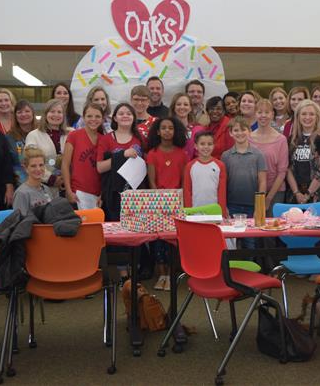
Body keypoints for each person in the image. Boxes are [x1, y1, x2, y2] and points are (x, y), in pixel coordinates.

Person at [146, 117, 188, 291]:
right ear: (157, 131)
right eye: (163, 128)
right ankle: (161, 274)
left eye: (170, 128)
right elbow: (152, 181)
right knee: (159, 239)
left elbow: (184, 180)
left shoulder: (182, 153)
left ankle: (171, 275)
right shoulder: (153, 153)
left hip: (176, 200)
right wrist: (159, 200)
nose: (167, 131)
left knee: (173, 239)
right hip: (158, 200)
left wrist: (182, 200)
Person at [222, 116, 267, 249]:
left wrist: (259, 207)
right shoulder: (226, 156)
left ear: (249, 131)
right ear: (230, 133)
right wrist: (224, 205)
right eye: (236, 130)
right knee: (232, 242)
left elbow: (263, 182)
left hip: (252, 206)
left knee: (250, 243)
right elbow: (223, 183)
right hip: (232, 205)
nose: (240, 133)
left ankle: (250, 268)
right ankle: (234, 269)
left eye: (243, 129)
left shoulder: (258, 155)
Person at [97, 103, 145, 221]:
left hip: (136, 196)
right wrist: (122, 155)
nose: (125, 116)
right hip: (113, 196)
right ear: (114, 118)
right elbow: (100, 167)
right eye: (121, 113)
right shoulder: (106, 139)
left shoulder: (140, 139)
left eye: (129, 114)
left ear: (134, 117)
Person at [287, 100, 320, 206]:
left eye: (311, 114)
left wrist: (308, 194)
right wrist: (297, 193)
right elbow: (288, 168)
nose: (307, 117)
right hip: (295, 195)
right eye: (304, 114)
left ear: (317, 117)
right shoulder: (292, 139)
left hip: (319, 196)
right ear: (298, 116)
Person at [25, 99, 71, 198]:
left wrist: (65, 179)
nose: (56, 115)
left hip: (69, 187)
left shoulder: (72, 133)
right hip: (42, 187)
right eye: (52, 111)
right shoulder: (33, 135)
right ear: (45, 114)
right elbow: (29, 162)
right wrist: (52, 179)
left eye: (59, 112)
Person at [249, 99, 289, 213]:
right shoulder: (248, 138)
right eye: (260, 112)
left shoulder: (281, 140)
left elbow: (282, 172)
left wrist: (268, 198)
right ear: (255, 114)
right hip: (253, 192)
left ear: (272, 114)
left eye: (267, 112)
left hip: (276, 192)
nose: (263, 115)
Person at [62, 103, 104, 210]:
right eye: (89, 116)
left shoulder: (104, 139)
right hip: (78, 193)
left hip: (97, 195)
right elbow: (65, 165)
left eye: (97, 116)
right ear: (83, 118)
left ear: (102, 119)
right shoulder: (74, 136)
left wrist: (102, 194)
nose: (93, 119)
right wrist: (68, 191)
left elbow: (105, 172)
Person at [183, 131, 228, 214]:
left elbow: (222, 192)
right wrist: (189, 212)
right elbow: (187, 191)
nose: (206, 147)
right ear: (196, 146)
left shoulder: (220, 165)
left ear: (214, 146)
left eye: (209, 144)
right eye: (202, 144)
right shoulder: (190, 166)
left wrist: (222, 213)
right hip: (195, 211)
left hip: (214, 212)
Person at [12, 146, 52, 216]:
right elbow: (20, 223)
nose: (38, 169)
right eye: (33, 166)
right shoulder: (21, 194)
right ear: (25, 168)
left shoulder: (47, 189)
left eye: (41, 165)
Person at [6, 100, 37, 188]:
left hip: (42, 183)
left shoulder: (41, 133)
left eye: (27, 111)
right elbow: (7, 165)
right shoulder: (9, 137)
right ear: (15, 116)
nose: (23, 114)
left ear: (33, 113)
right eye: (19, 112)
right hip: (19, 185)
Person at [169, 92, 203, 160]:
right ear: (174, 108)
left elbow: (201, 153)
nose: (182, 107)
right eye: (178, 104)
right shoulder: (167, 129)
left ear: (190, 108)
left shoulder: (198, 129)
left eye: (186, 104)